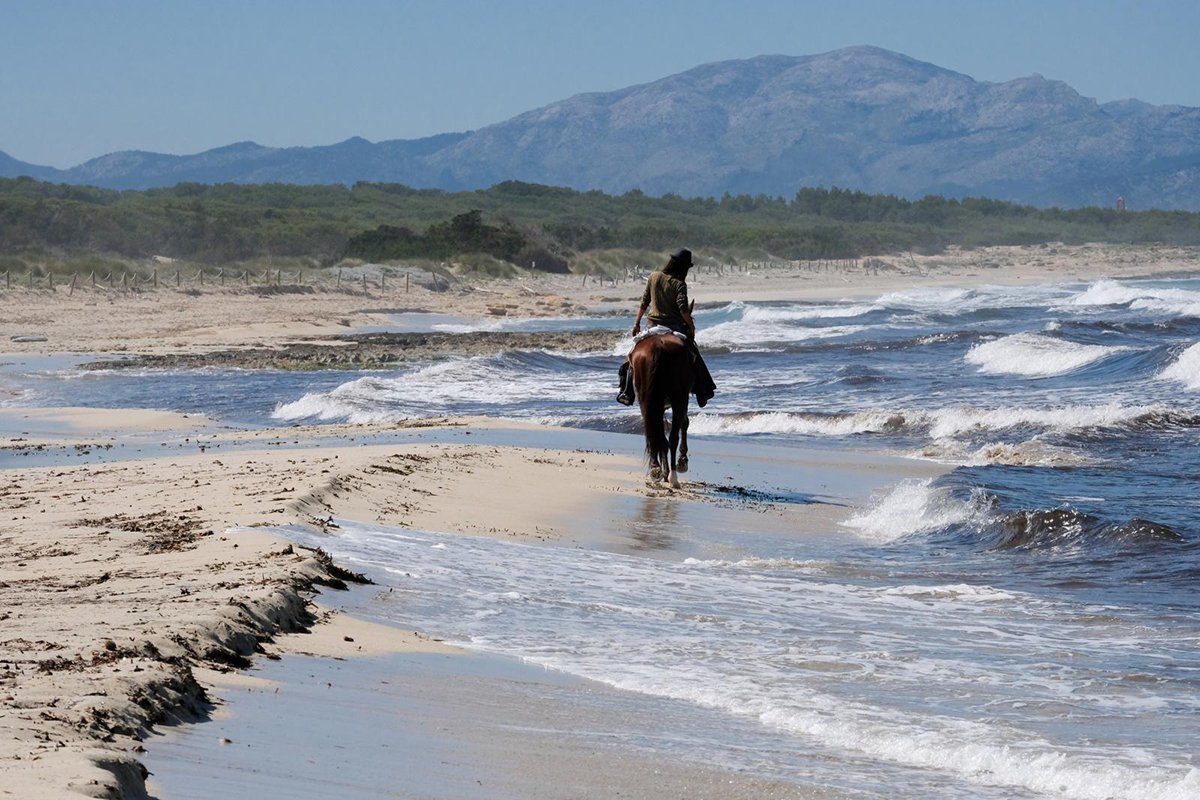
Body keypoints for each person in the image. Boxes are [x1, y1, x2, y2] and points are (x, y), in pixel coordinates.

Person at [616, 247, 716, 407]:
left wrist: (636, 323)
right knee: (694, 354)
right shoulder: (679, 284)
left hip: (651, 324)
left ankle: (626, 390)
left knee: (631, 354)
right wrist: (691, 327)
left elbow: (644, 301)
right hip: (674, 326)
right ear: (684, 267)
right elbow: (683, 309)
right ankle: (704, 391)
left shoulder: (653, 276)